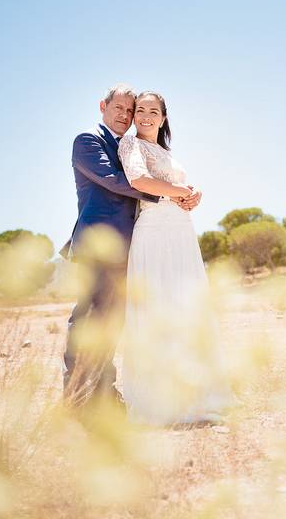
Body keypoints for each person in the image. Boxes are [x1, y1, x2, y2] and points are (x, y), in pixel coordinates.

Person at [62, 84, 200, 408]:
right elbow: (115, 180)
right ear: (102, 106)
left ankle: (105, 395)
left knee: (113, 325)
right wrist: (170, 193)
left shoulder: (129, 143)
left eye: (129, 110)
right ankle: (76, 401)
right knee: (88, 321)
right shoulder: (88, 141)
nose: (125, 115)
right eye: (119, 108)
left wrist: (185, 194)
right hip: (100, 244)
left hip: (133, 247)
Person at [117, 91, 234, 425]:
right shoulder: (131, 146)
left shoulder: (166, 152)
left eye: (154, 111)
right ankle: (160, 403)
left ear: (164, 117)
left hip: (180, 232)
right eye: (140, 110)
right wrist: (182, 193)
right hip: (154, 233)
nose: (146, 116)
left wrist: (192, 196)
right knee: (159, 308)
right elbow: (138, 179)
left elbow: (172, 185)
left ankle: (196, 394)